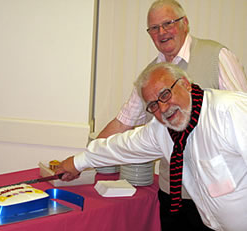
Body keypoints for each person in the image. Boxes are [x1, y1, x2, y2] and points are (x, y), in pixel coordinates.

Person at [95, 0, 247, 230]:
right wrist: (87, 156)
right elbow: (123, 122)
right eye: (154, 28)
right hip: (172, 193)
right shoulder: (150, 76)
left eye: (168, 23)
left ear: (185, 23)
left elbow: (242, 113)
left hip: (217, 195)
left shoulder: (217, 56)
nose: (162, 32)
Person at [57, 62, 247, 231]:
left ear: (186, 84)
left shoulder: (230, 111)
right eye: (153, 105)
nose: (163, 109)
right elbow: (122, 146)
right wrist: (77, 162)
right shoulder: (162, 130)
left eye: (165, 94)